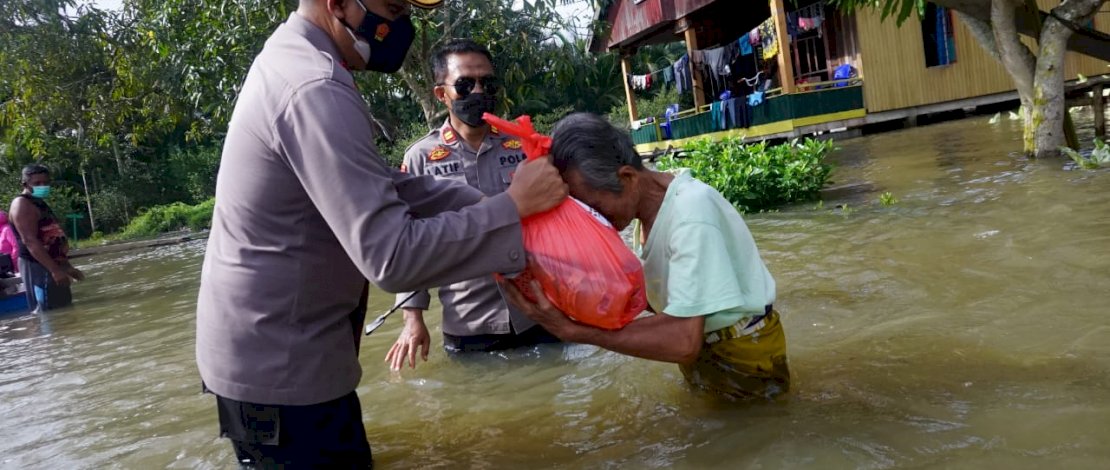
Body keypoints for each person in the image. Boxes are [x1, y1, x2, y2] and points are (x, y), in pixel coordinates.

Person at [194, 0, 567, 467]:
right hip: (285, 377)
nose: (400, 24)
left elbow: (392, 187)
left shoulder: (299, 62)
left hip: (279, 359)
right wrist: (513, 208)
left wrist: (510, 208)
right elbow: (392, 257)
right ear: (338, 5)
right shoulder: (315, 87)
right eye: (393, 7)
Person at [501, 113, 791, 401]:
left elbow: (682, 340)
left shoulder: (691, 212)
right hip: (710, 347)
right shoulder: (653, 209)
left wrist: (577, 331)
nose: (592, 222)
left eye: (594, 208)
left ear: (626, 177)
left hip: (743, 355)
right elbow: (676, 307)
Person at [386, 39, 559, 370]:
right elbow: (410, 241)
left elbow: (556, 219)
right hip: (470, 323)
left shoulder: (524, 145)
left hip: (539, 311)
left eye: (487, 83)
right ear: (442, 94)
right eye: (465, 84)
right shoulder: (421, 158)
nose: (478, 91)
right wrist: (413, 319)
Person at [9, 164, 83, 313]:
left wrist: (66, 266)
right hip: (37, 266)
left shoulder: (39, 202)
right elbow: (30, 241)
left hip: (53, 264)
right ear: (25, 184)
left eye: (46, 182)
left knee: (64, 310)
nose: (43, 186)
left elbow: (52, 237)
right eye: (37, 183)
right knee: (48, 313)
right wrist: (55, 270)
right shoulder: (22, 204)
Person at [0, 210, 19, 275]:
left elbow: (16, 246)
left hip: (12, 267)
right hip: (5, 267)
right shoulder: (1, 230)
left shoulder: (7, 229)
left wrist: (14, 263)